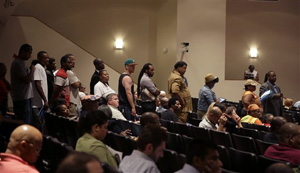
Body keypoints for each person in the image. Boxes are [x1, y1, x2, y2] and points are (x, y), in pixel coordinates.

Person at [10, 44, 35, 124]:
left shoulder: (22, 62)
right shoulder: (18, 63)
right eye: (29, 53)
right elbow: (27, 80)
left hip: (25, 97)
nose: (30, 56)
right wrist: (32, 70)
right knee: (24, 122)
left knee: (28, 120)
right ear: (23, 52)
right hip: (22, 98)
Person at [32, 51, 49, 131]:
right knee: (38, 126)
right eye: (45, 58)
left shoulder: (42, 68)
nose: (47, 60)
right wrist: (45, 99)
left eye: (48, 58)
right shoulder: (38, 67)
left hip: (40, 103)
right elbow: (37, 84)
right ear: (39, 58)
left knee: (42, 125)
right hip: (37, 103)